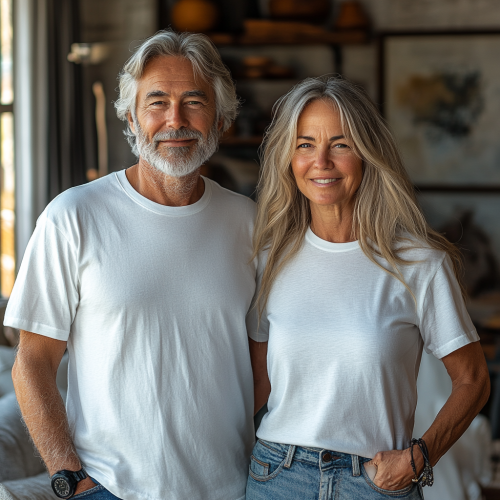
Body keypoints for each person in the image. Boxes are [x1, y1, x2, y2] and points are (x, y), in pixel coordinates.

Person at [6, 30, 258, 500]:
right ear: (130, 115)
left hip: (234, 489)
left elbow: (265, 356)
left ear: (221, 119)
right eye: (156, 101)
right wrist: (69, 478)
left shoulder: (249, 223)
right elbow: (32, 363)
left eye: (194, 102)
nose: (174, 120)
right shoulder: (72, 216)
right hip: (110, 490)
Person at [246, 76, 490, 500]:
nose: (320, 161)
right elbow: (254, 387)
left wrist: (418, 459)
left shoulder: (418, 265)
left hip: (376, 483)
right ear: (289, 157)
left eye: (340, 144)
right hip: (278, 477)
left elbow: (473, 380)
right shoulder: (269, 260)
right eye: (304, 144)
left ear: (367, 153)